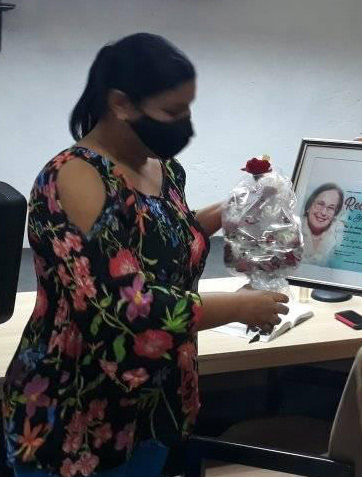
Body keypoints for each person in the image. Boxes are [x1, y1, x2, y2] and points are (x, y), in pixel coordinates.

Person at [2, 33, 288, 477]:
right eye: (173, 112)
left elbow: (168, 240)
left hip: (152, 404)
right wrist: (239, 307)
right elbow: (125, 306)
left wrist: (233, 209)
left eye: (188, 109)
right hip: (79, 409)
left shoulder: (162, 167)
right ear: (121, 103)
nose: (185, 124)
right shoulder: (74, 177)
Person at [301, 183, 345, 265]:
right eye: (320, 204)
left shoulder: (340, 234)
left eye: (331, 208)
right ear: (309, 205)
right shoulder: (293, 226)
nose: (323, 212)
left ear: (335, 213)